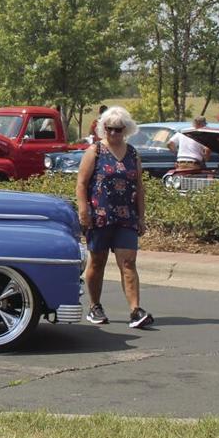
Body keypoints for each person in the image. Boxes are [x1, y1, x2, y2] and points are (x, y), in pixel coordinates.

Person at [77, 105, 153, 329]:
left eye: (118, 129)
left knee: (128, 262)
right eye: (109, 128)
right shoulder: (95, 151)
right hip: (100, 215)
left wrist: (141, 216)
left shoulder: (132, 154)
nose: (113, 133)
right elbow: (81, 183)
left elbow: (139, 186)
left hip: (126, 217)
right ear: (103, 128)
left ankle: (135, 310)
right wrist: (84, 210)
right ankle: (95, 306)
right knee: (98, 261)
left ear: (126, 130)